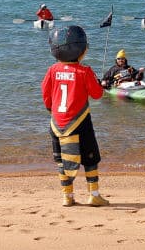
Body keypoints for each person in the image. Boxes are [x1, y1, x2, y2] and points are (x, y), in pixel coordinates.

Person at [41, 25, 108, 207]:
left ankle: (67, 196)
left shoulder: (53, 70)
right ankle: (93, 194)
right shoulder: (84, 71)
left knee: (62, 160)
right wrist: (98, 83)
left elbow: (45, 94)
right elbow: (97, 94)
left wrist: (51, 110)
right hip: (80, 121)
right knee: (90, 159)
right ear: (81, 50)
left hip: (56, 123)